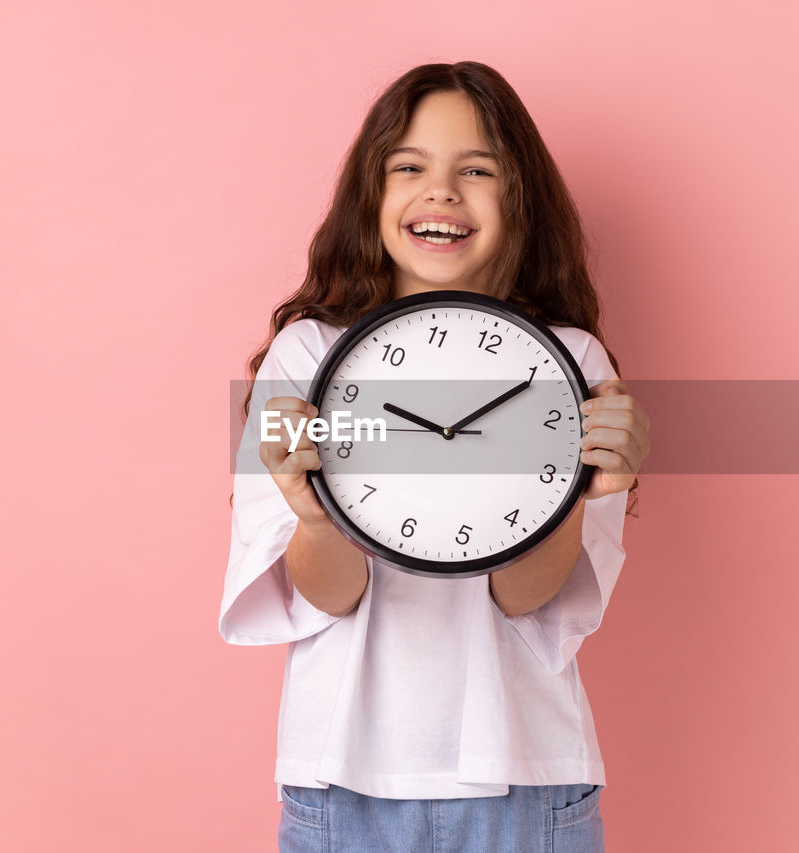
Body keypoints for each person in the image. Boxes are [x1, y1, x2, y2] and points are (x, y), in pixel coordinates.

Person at [221, 61, 650, 852]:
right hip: (343, 778)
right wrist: (316, 514)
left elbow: (528, 597)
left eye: (476, 170)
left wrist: (587, 490)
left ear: (519, 199)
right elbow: (327, 594)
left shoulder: (573, 366)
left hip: (523, 773)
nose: (442, 192)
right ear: (371, 197)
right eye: (409, 167)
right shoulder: (306, 357)